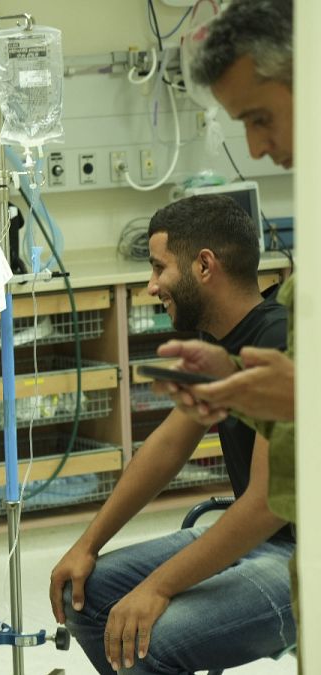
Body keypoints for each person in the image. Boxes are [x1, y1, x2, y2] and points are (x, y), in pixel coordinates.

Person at [49, 195, 294, 673]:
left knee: (148, 640)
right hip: (260, 539)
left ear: (204, 265)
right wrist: (87, 545)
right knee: (85, 595)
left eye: (159, 268)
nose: (151, 286)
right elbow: (167, 446)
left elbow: (267, 504)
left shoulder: (279, 343)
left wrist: (157, 587)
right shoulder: (216, 341)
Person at [153, 0, 301, 656]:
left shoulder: (276, 320)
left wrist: (298, 398)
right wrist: (235, 380)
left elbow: (267, 499)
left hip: (282, 538)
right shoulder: (294, 297)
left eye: (261, 118)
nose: (258, 149)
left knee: (158, 634)